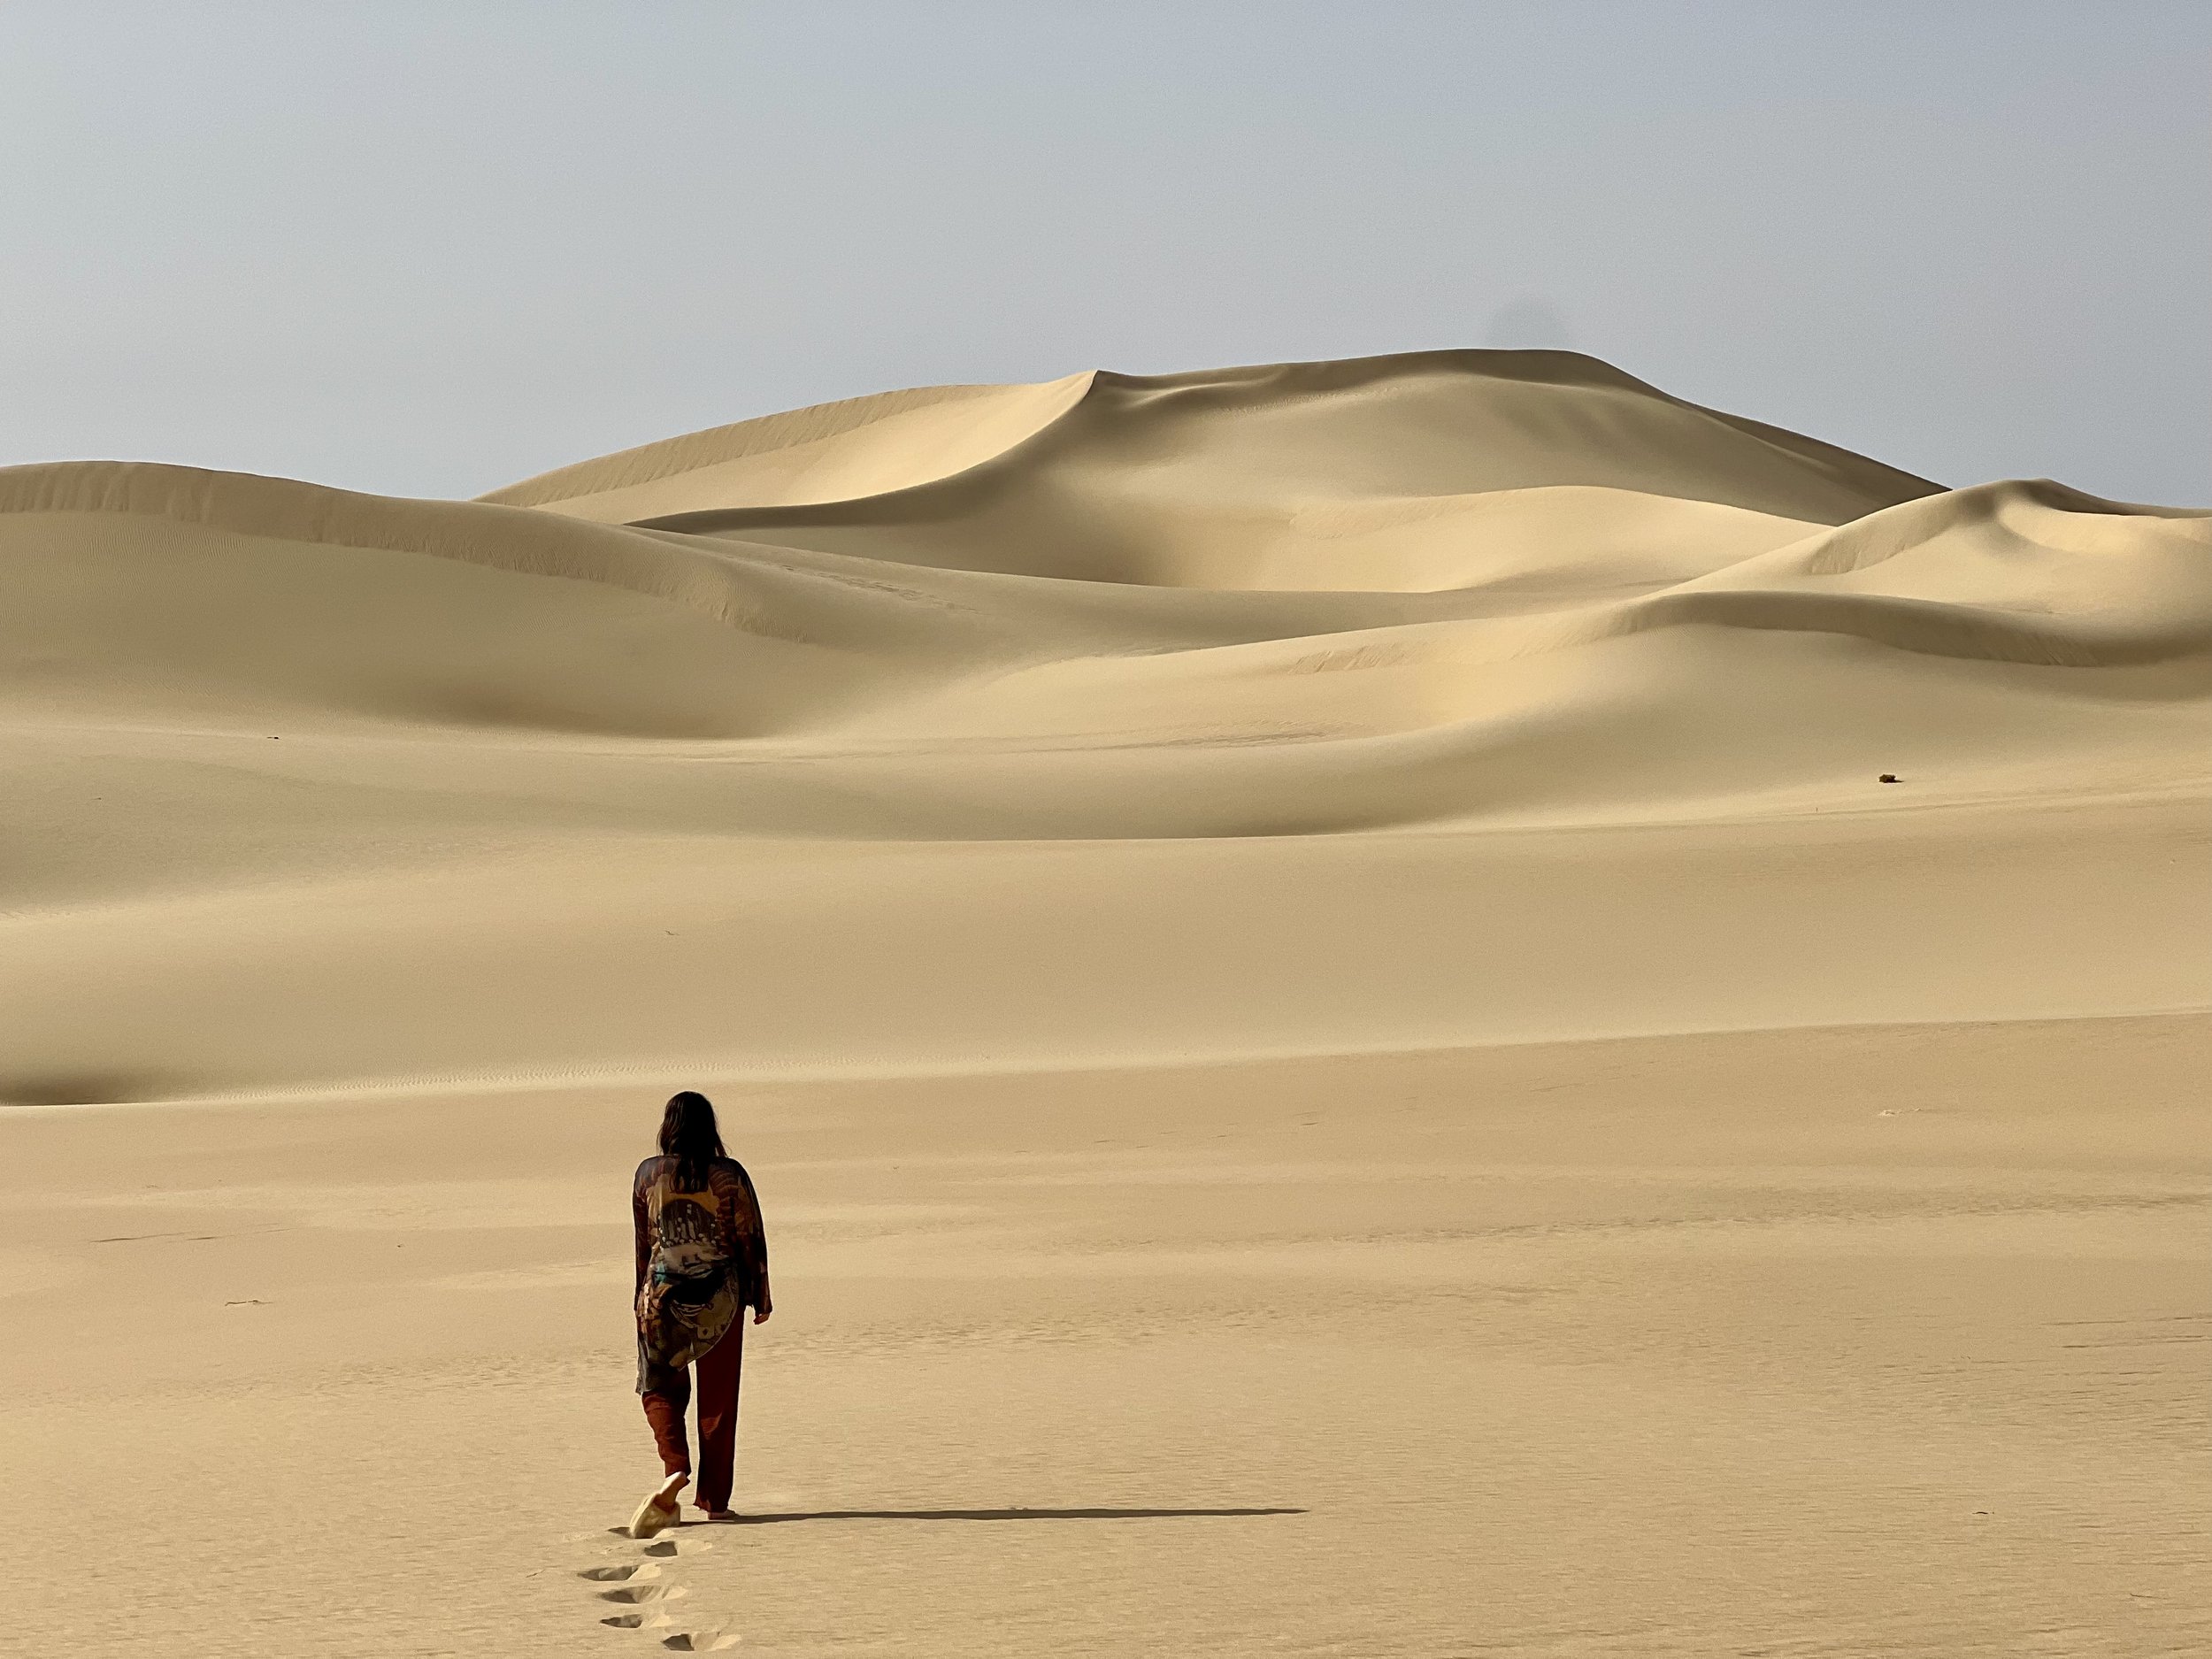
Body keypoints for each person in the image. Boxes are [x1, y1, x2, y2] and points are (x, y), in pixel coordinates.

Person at [627, 1090, 771, 1537]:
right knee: (718, 1401)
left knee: (658, 1385)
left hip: (660, 1298)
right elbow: (750, 1235)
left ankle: (675, 1465)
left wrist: (640, 1295)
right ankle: (714, 1501)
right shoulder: (728, 1175)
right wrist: (759, 1295)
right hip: (719, 1301)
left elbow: (643, 1241)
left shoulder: (648, 1174)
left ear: (668, 1128)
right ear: (710, 1128)